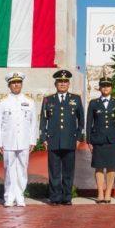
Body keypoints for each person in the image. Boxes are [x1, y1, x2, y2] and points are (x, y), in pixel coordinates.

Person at [40, 69, 84, 206]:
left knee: (68, 171)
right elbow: (43, 120)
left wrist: (78, 138)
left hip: (70, 140)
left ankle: (67, 197)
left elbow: (81, 120)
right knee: (54, 171)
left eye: (65, 82)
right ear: (56, 84)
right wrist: (44, 138)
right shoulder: (48, 99)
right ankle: (54, 197)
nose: (63, 84)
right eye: (60, 82)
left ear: (69, 84)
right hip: (53, 140)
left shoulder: (75, 99)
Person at [0, 72, 38, 207]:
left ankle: (20, 196)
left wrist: (32, 140)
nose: (16, 85)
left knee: (23, 168)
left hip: (24, 141)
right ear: (9, 85)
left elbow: (33, 123)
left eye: (18, 82)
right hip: (8, 141)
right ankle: (9, 196)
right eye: (13, 83)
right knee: (8, 169)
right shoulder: (2, 102)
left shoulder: (29, 102)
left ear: (22, 84)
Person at [86, 76, 115, 204]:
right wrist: (89, 141)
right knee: (99, 167)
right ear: (100, 88)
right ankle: (100, 192)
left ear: (111, 88)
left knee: (111, 167)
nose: (105, 88)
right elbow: (89, 122)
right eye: (103, 86)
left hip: (112, 139)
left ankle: (108, 193)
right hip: (98, 139)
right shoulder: (94, 103)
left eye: (108, 86)